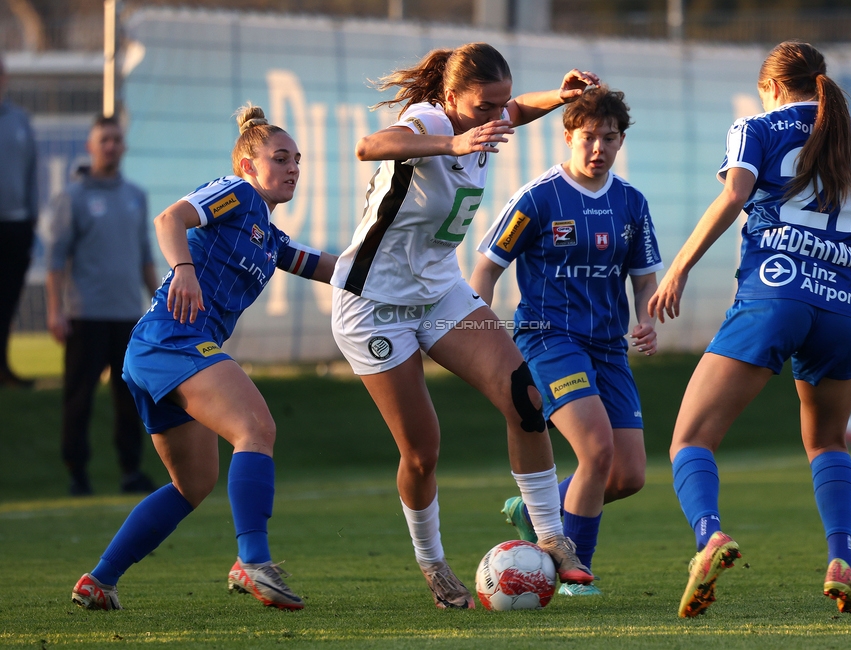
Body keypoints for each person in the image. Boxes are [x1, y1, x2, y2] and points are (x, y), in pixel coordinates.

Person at [647, 41, 851, 618]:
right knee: (826, 441)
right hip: (843, 309)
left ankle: (709, 537)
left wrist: (679, 267)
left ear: (771, 87)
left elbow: (735, 194)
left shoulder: (756, 127)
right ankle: (841, 560)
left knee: (691, 439)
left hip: (775, 295)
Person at [330, 42, 599, 609]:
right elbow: (370, 145)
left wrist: (560, 95)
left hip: (439, 294)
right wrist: (451, 141)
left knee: (525, 398)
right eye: (484, 107)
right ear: (451, 99)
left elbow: (518, 109)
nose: (497, 116)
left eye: (500, 104)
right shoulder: (430, 121)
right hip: (374, 303)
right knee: (423, 451)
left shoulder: (487, 117)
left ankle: (551, 535)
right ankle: (432, 563)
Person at [70, 104, 336, 611]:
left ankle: (101, 581)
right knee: (255, 427)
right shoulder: (237, 194)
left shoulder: (270, 238)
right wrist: (183, 268)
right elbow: (170, 218)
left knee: (194, 484)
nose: (293, 167)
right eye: (280, 158)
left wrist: (393, 266)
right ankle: (253, 562)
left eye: (297, 159)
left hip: (158, 355)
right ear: (247, 166)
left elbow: (329, 267)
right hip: (172, 340)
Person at [469, 86, 662, 597]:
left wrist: (646, 318)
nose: (599, 147)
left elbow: (644, 278)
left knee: (628, 476)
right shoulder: (539, 197)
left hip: (608, 347)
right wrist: (481, 325)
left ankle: (536, 508)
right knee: (595, 451)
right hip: (549, 338)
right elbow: (487, 267)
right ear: (569, 135)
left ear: (621, 140)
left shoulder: (631, 203)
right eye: (589, 137)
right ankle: (576, 575)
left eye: (610, 137)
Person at [43, 115, 159, 496]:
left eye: (116, 139)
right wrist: (55, 311)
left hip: (128, 316)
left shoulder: (135, 197)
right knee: (79, 399)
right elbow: (56, 261)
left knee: (131, 398)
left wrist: (158, 304)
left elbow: (144, 256)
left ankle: (131, 471)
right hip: (86, 315)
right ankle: (77, 472)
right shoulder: (72, 198)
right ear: (90, 147)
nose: (110, 145)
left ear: (123, 147)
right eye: (103, 140)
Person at [0, 53, 38, 388]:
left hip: (16, 225)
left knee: (8, 299)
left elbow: (31, 173)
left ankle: (3, 368)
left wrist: (32, 217)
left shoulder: (20, 120)